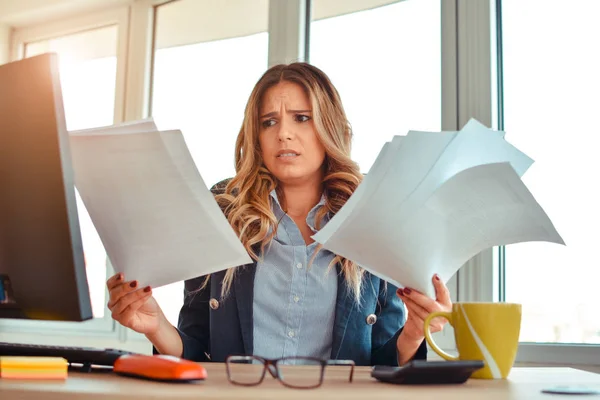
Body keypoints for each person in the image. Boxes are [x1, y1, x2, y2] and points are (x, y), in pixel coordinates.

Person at [106, 62, 452, 366]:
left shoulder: (372, 218)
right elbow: (199, 353)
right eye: (268, 122)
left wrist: (414, 332)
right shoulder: (224, 211)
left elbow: (380, 363)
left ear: (328, 127)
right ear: (256, 136)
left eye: (301, 118)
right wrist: (155, 325)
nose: (283, 133)